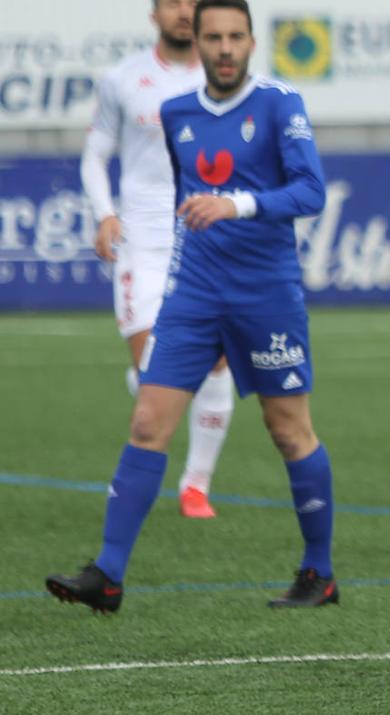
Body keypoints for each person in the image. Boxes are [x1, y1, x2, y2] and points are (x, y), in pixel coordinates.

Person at [46, 0, 336, 613]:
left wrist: (238, 205)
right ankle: (109, 574)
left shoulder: (280, 103)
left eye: (236, 36)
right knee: (149, 421)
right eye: (214, 37)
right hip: (194, 291)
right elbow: (185, 196)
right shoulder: (176, 112)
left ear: (252, 41)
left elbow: (310, 189)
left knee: (288, 430)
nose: (225, 47)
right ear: (198, 43)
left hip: (266, 292)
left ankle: (319, 571)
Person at [81, 0, 234, 521]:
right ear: (154, 13)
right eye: (172, 2)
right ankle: (145, 449)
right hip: (142, 243)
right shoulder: (123, 78)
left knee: (216, 362)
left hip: (207, 241)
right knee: (156, 371)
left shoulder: (229, 80)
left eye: (193, 3)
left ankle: (195, 485)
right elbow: (94, 155)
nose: (184, 11)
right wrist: (105, 214)